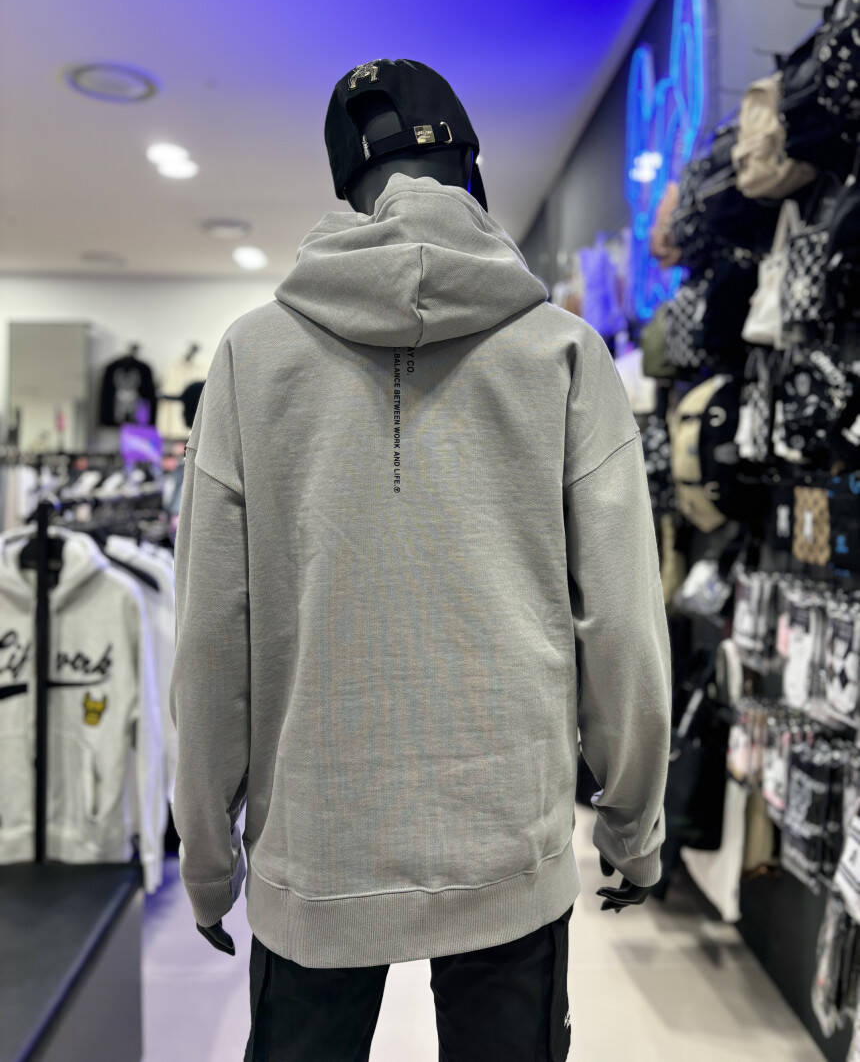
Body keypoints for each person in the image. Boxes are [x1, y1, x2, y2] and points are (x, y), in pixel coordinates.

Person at [169, 58, 672, 1062]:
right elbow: (622, 625)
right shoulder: (566, 355)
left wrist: (207, 860)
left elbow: (211, 640)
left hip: (313, 852)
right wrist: (633, 827)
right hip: (508, 845)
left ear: (346, 190)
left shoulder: (249, 358)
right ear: (472, 171)